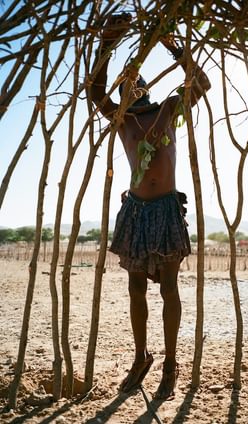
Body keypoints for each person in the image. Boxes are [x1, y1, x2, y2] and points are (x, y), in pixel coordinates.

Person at [90, 13, 211, 399]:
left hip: (165, 210)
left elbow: (202, 83)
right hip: (136, 213)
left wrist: (171, 43)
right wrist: (108, 44)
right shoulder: (122, 119)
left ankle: (171, 363)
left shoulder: (169, 109)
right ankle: (142, 356)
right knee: (135, 288)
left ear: (147, 86)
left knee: (170, 289)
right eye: (126, 85)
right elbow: (93, 91)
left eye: (136, 81)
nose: (133, 87)